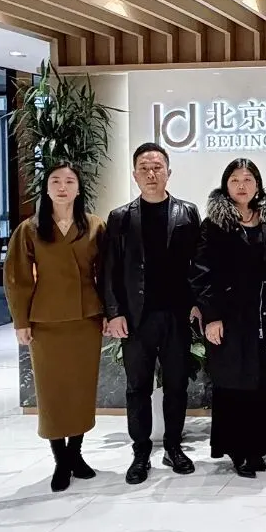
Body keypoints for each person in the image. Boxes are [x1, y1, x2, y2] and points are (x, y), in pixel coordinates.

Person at [102, 143, 201, 485]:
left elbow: (198, 265)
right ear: (134, 175)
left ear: (168, 172)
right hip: (136, 318)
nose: (151, 173)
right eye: (144, 168)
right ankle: (141, 452)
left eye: (157, 167)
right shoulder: (120, 217)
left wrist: (198, 303)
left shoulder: (187, 212)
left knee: (176, 385)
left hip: (176, 316)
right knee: (137, 388)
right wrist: (114, 313)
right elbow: (110, 271)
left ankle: (174, 446)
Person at [4, 162, 105, 492]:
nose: (63, 187)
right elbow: (17, 278)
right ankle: (60, 460)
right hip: (46, 322)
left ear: (79, 188)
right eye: (56, 181)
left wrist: (110, 312)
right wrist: (21, 321)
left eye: (70, 181)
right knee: (52, 392)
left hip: (86, 320)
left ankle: (76, 454)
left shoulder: (95, 226)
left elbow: (107, 273)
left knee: (80, 389)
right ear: (46, 189)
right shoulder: (30, 229)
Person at [192, 159, 266, 478]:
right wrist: (212, 316)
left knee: (259, 380)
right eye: (235, 180)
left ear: (257, 185)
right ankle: (237, 450)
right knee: (232, 381)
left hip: (262, 316)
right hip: (229, 318)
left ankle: (257, 446)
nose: (241, 186)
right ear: (226, 185)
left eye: (248, 179)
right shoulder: (214, 225)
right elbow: (202, 273)